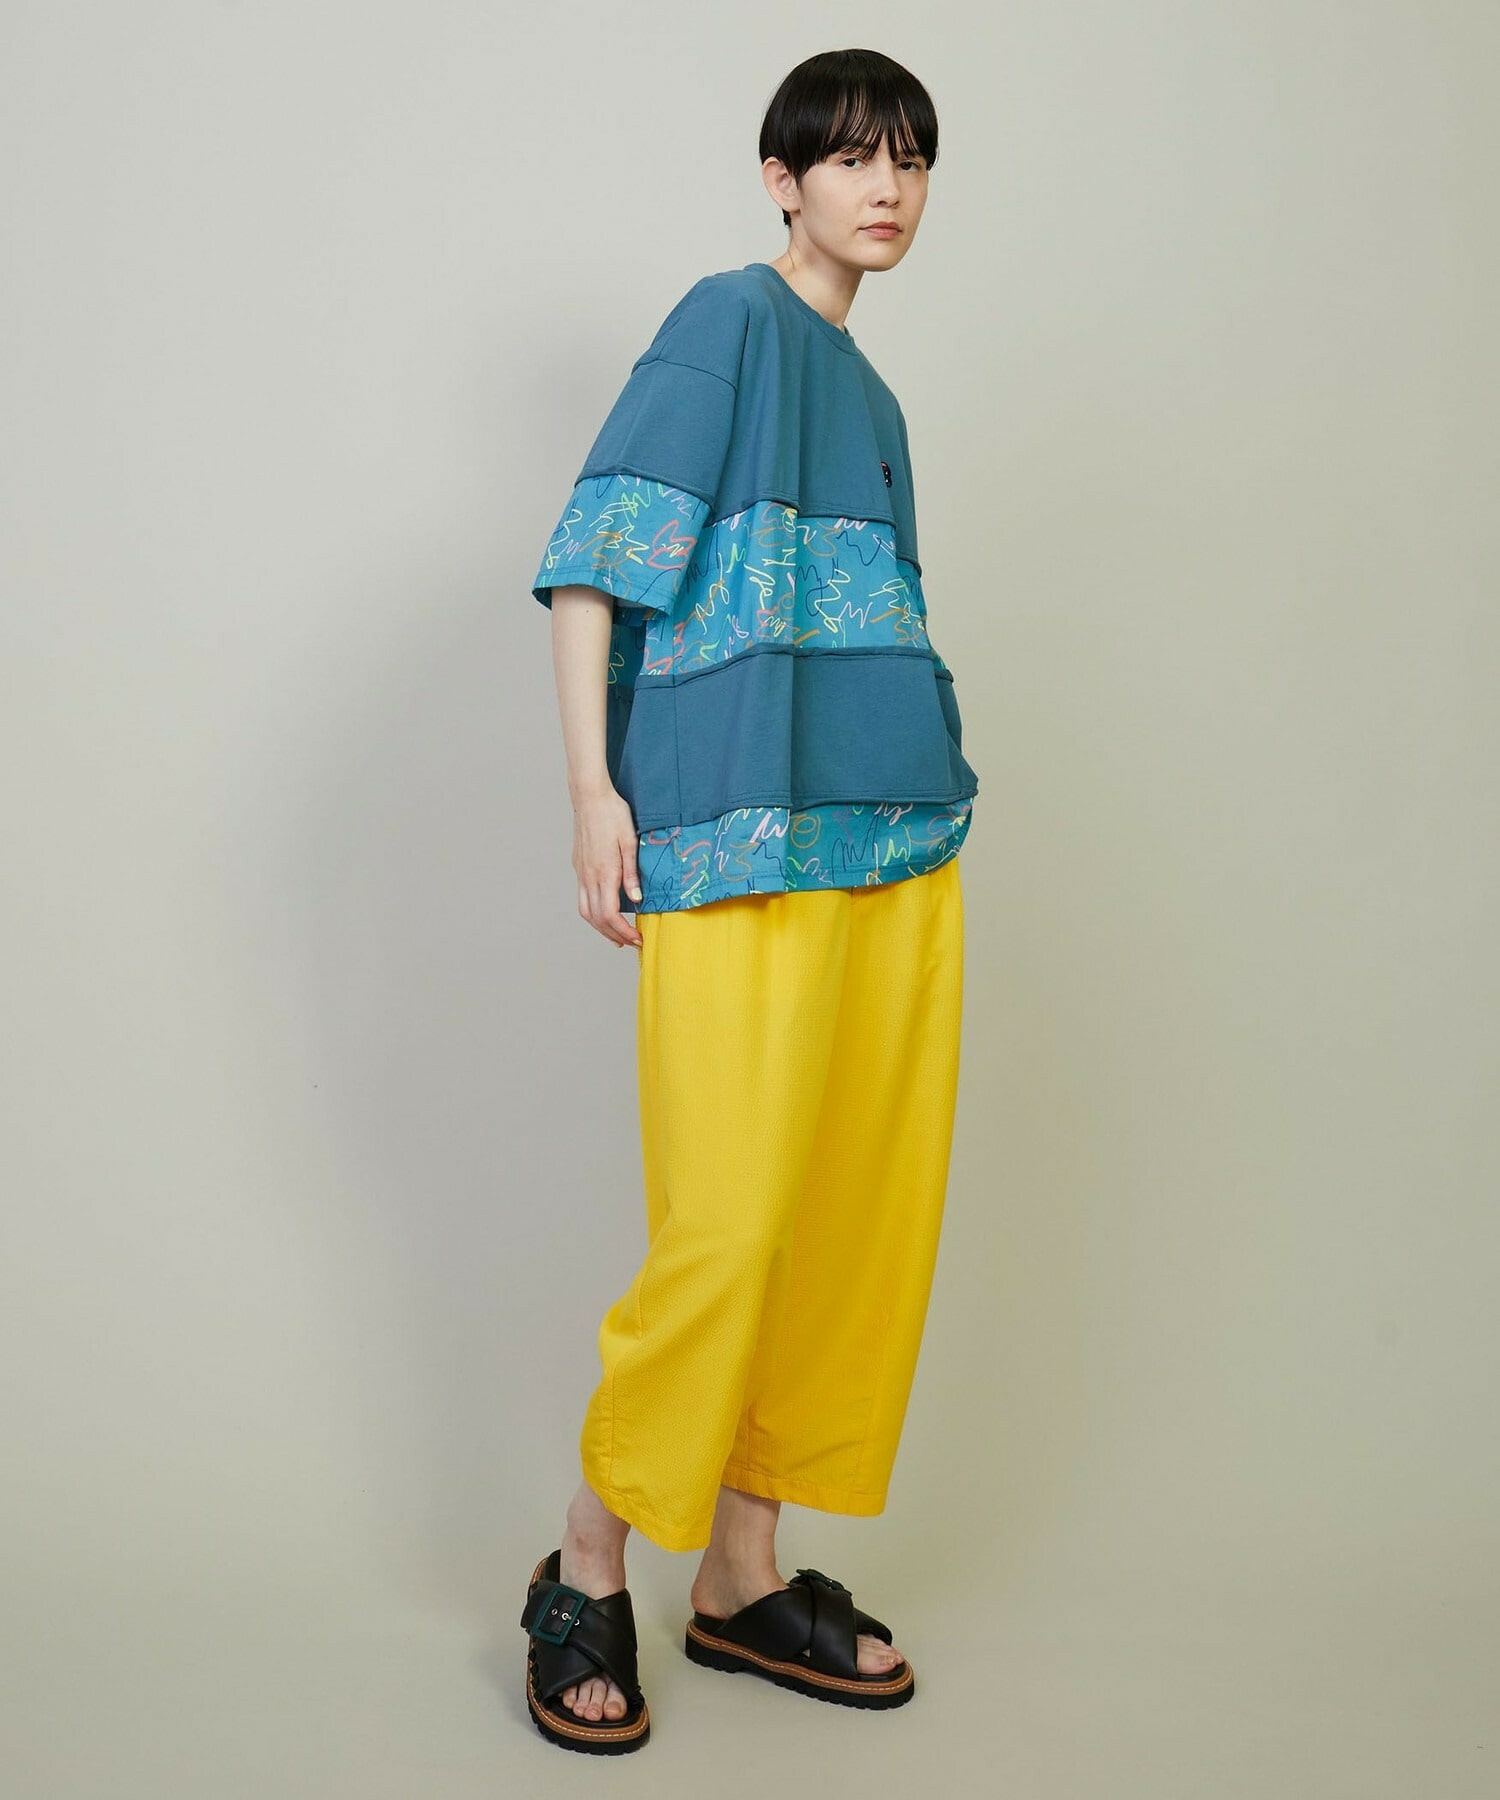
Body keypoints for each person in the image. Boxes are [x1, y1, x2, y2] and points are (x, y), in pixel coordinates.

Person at [518, 47, 978, 1754]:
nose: (885, 186)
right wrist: (596, 791)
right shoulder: (727, 321)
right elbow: (597, 562)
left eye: (909, 159)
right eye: (851, 156)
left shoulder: (878, 403)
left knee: (846, 1222)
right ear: (783, 180)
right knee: (723, 1221)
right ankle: (587, 1564)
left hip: (897, 843)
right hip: (735, 836)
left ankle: (742, 1575)